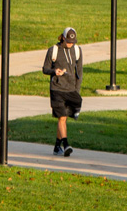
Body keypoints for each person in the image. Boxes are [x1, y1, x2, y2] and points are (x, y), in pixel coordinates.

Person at [42, 27, 82, 157]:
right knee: (62, 118)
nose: (71, 44)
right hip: (57, 89)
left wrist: (77, 90)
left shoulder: (77, 50)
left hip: (70, 89)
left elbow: (79, 72)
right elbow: (45, 69)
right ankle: (66, 145)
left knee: (63, 119)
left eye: (73, 42)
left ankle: (56, 147)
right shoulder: (53, 50)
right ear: (63, 38)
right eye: (69, 41)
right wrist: (54, 71)